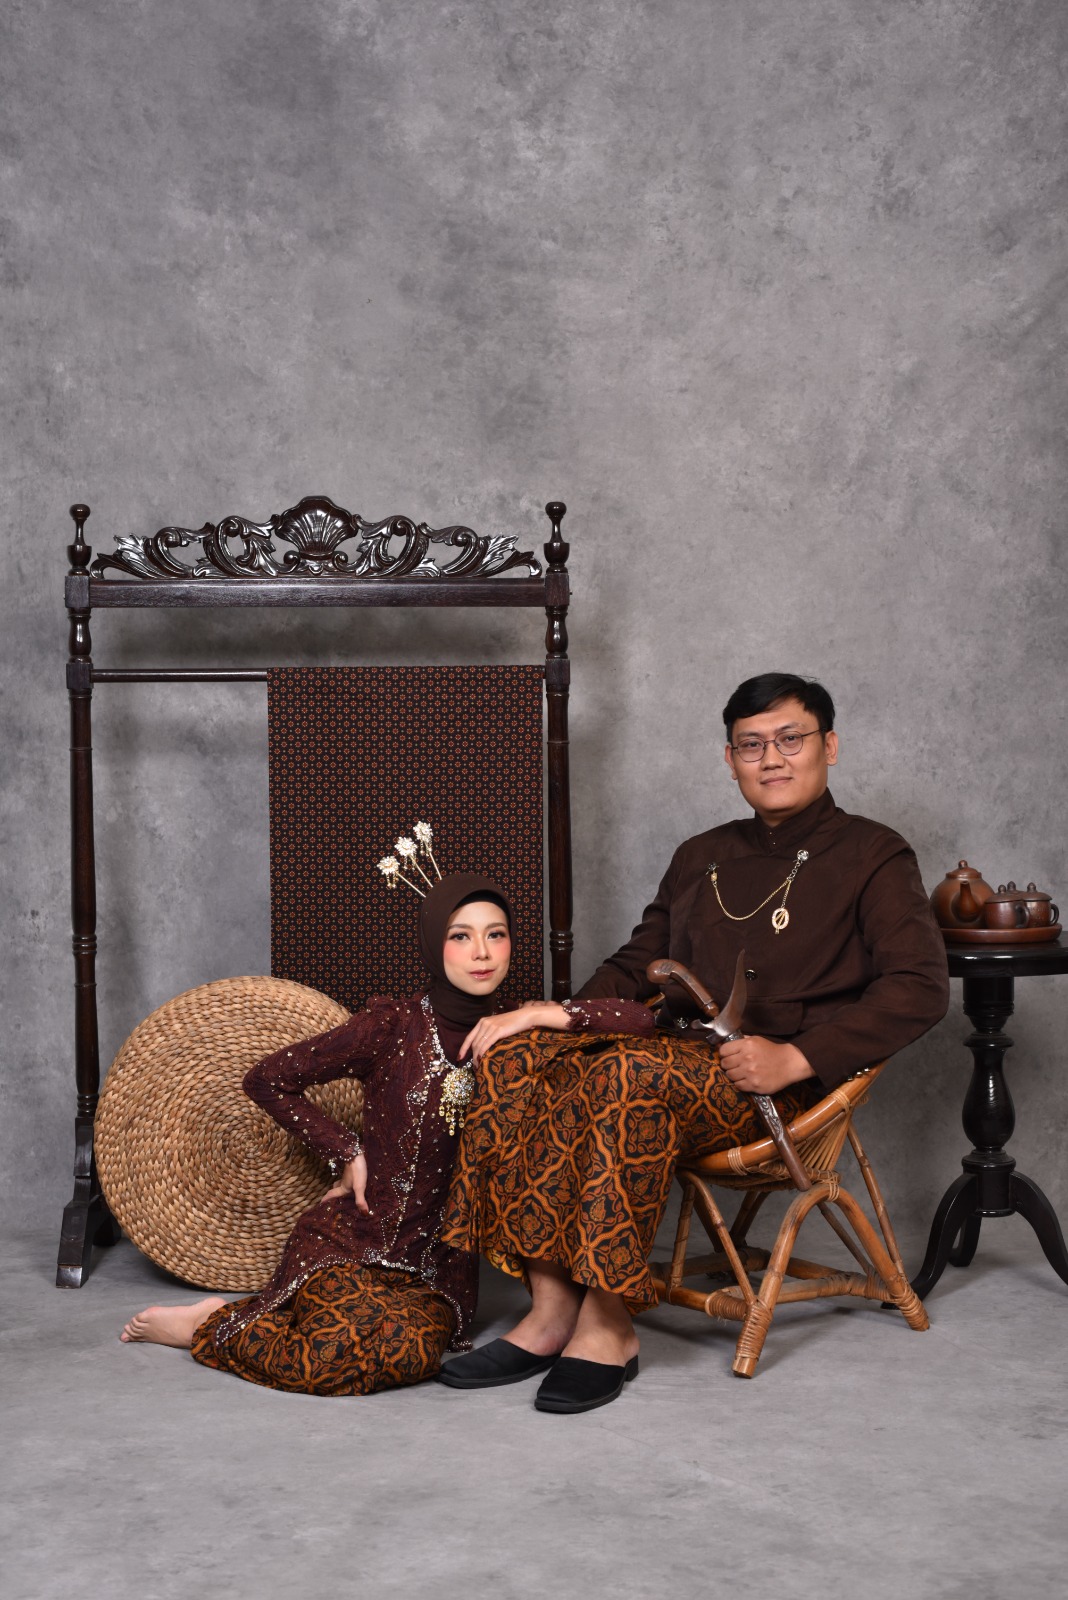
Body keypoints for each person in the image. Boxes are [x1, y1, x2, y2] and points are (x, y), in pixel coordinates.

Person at [439, 673, 950, 1413]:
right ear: (729, 758)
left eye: (790, 739)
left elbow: (919, 987)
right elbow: (635, 964)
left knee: (626, 1076)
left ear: (830, 746)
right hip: (668, 1055)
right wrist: (554, 1015)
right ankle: (550, 1311)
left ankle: (608, 1324)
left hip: (771, 1082)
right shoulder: (700, 853)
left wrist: (797, 1058)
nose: (771, 759)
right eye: (752, 745)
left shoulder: (874, 853)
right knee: (516, 1056)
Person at [120, 869, 653, 1396]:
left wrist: (544, 1014)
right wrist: (345, 1150)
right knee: (328, 1357)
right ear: (433, 945)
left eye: (496, 934)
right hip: (350, 1242)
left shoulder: (521, 1033)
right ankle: (211, 1323)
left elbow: (640, 1020)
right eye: (460, 936)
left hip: (436, 1273)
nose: (482, 953)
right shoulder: (392, 1026)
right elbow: (267, 1079)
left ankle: (245, 1321)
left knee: (410, 1355)